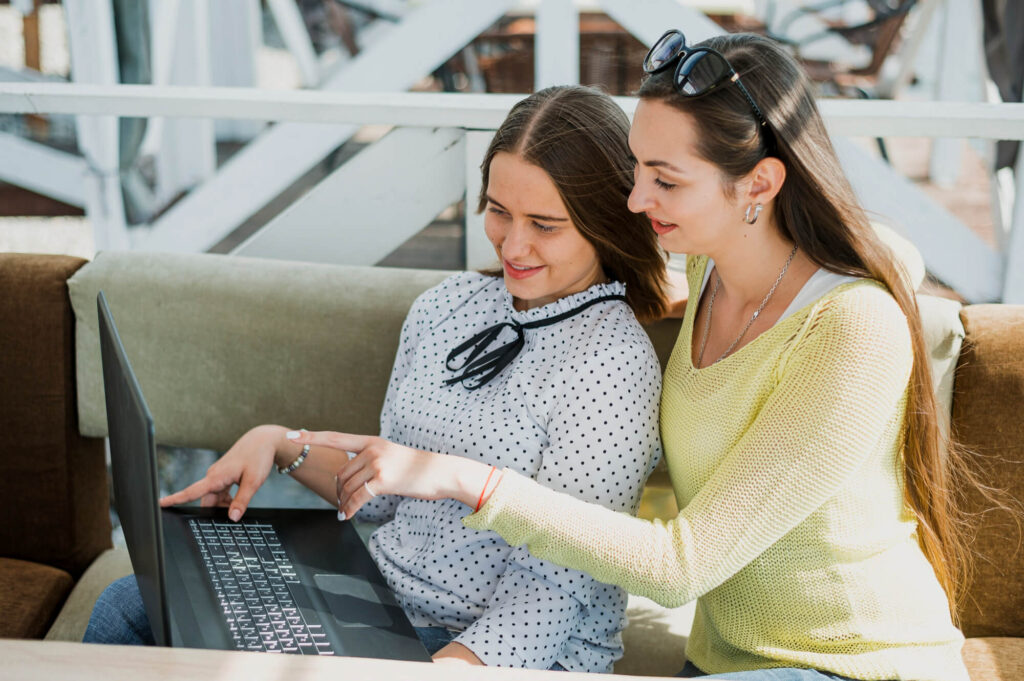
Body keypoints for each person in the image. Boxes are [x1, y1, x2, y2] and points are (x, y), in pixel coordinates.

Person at [294, 33, 984, 681]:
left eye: (664, 180)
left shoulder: (852, 330)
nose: (634, 199)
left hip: (854, 663)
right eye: (638, 167)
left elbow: (680, 567)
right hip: (723, 659)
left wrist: (464, 479)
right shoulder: (711, 267)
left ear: (760, 186)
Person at [83, 85, 670, 672]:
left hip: (502, 649)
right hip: (383, 603)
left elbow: (557, 588)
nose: (513, 244)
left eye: (545, 224)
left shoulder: (611, 362)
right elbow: (379, 502)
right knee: (130, 607)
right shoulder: (448, 306)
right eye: (498, 210)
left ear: (606, 220)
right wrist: (281, 443)